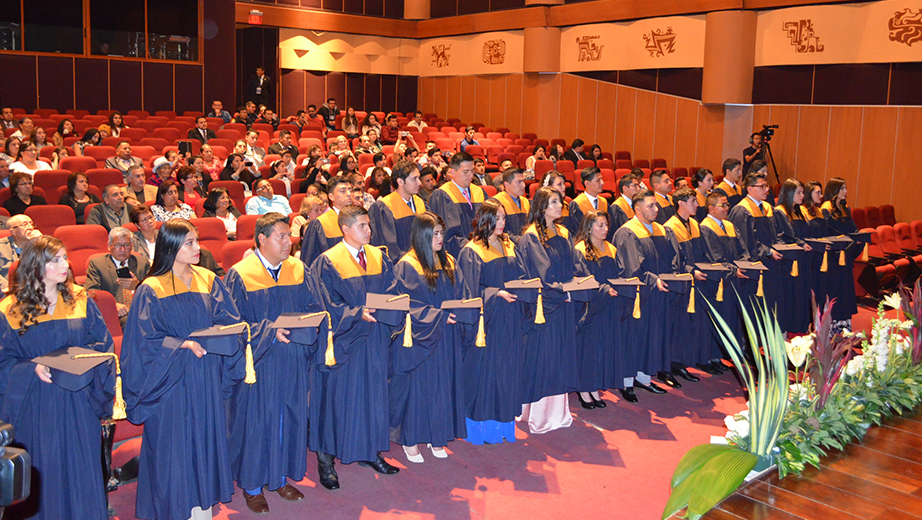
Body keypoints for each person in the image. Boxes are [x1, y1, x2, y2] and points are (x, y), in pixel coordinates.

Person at [122, 219, 244, 520]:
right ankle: (173, 509)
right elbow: (142, 342)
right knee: (174, 446)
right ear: (171, 246)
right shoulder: (150, 288)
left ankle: (201, 507)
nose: (197, 247)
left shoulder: (208, 279)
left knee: (204, 438)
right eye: (189, 242)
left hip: (205, 376)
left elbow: (229, 319)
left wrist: (221, 333)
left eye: (197, 240)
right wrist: (181, 345)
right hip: (169, 381)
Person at [0, 235, 116, 520]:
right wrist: (32, 368)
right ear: (36, 266)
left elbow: (102, 345)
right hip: (36, 404)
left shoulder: (81, 299)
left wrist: (80, 360)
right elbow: (4, 359)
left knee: (81, 466)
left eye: (65, 257)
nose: (65, 265)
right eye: (56, 260)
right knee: (45, 469)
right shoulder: (10, 309)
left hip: (78, 399)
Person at [224, 212, 323, 512]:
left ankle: (279, 478)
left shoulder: (298, 269)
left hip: (292, 358)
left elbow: (314, 308)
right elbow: (232, 324)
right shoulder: (241, 274)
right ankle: (252, 485)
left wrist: (308, 326)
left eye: (288, 236)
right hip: (260, 362)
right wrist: (269, 330)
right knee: (257, 422)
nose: (288, 241)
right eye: (281, 236)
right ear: (262, 240)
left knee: (288, 417)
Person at [309, 205, 402, 489]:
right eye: (362, 226)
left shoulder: (379, 257)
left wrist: (391, 308)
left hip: (374, 339)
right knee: (335, 400)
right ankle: (327, 462)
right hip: (344, 342)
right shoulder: (327, 261)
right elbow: (325, 305)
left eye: (369, 225)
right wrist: (354, 313)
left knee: (373, 396)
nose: (369, 230)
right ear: (345, 229)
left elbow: (392, 292)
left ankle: (369, 451)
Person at [390, 212, 467, 463]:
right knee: (419, 389)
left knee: (443, 387)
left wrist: (462, 309)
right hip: (421, 339)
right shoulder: (407, 265)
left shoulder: (448, 260)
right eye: (434, 233)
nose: (440, 238)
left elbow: (461, 292)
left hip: (447, 335)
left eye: (442, 233)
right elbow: (407, 304)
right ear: (421, 235)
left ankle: (438, 436)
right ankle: (410, 440)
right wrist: (439, 316)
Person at [456, 199, 525, 444]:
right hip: (487, 323)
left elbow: (520, 276)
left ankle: (504, 426)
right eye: (497, 218)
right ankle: (479, 428)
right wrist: (495, 294)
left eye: (504, 218)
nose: (502, 223)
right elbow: (469, 292)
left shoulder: (509, 244)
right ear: (485, 220)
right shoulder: (471, 251)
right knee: (485, 374)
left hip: (510, 319)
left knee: (506, 372)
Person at [516, 187, 583, 433]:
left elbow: (575, 265)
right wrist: (561, 292)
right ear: (542, 206)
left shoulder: (563, 231)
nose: (559, 205)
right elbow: (540, 274)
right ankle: (540, 415)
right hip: (546, 305)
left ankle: (558, 412)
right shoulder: (532, 236)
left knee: (561, 357)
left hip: (564, 302)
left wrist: (580, 284)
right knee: (543, 358)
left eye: (560, 201)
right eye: (554, 201)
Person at [612, 189, 678, 399]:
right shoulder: (627, 231)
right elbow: (631, 268)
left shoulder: (660, 229)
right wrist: (652, 279)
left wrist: (673, 276)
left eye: (656, 205)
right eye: (650, 206)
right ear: (637, 209)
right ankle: (626, 382)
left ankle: (644, 377)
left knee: (652, 336)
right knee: (635, 337)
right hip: (638, 295)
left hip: (659, 294)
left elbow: (673, 257)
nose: (656, 209)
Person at [663, 188, 719, 381]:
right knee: (680, 324)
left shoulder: (694, 224)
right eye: (693, 201)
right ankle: (676, 363)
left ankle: (697, 358)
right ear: (681, 203)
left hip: (699, 281)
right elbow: (672, 259)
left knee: (698, 323)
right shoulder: (670, 227)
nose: (697, 204)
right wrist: (690, 270)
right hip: (684, 283)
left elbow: (703, 251)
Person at [573, 210, 623, 407]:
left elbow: (619, 273)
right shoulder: (581, 250)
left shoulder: (611, 248)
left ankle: (594, 386)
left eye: (606, 225)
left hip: (608, 307)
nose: (605, 229)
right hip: (591, 308)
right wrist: (604, 290)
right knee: (589, 350)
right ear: (589, 227)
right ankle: (584, 389)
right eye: (600, 225)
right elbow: (582, 279)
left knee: (601, 349)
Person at [698, 191, 749, 368]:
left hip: (734, 280)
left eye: (727, 205)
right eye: (723, 205)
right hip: (719, 282)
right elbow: (715, 257)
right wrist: (734, 270)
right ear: (711, 208)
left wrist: (746, 265)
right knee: (720, 317)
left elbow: (743, 250)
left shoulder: (729, 225)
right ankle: (715, 356)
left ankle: (731, 353)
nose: (727, 208)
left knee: (733, 317)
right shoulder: (706, 227)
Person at [728, 172, 783, 319]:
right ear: (749, 189)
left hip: (771, 264)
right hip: (754, 266)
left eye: (767, 186)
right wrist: (767, 251)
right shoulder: (742, 210)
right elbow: (746, 242)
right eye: (762, 186)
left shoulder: (767, 207)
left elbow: (775, 234)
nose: (767, 190)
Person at [85, 226, 150, 327]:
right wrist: (113, 305)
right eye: (117, 245)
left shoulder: (142, 262)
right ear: (109, 246)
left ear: (132, 246)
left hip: (142, 310)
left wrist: (137, 286)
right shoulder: (97, 264)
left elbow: (154, 291)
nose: (122, 249)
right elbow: (92, 293)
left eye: (126, 245)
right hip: (115, 315)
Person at [772, 179, 814, 335]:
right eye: (799, 192)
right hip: (788, 264)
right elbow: (782, 237)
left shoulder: (799, 211)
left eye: (803, 192)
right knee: (789, 299)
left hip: (802, 262)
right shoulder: (780, 211)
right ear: (789, 193)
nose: (802, 195)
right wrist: (799, 245)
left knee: (802, 298)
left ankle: (800, 331)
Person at [820, 177, 860, 331]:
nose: (846, 192)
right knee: (835, 290)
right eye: (843, 188)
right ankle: (832, 327)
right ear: (834, 190)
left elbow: (852, 228)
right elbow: (828, 231)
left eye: (846, 188)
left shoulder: (844, 207)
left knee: (845, 291)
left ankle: (844, 326)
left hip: (845, 255)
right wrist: (846, 240)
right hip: (833, 258)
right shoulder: (826, 208)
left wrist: (857, 237)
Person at [427, 152, 485, 257]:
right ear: (453, 172)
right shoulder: (443, 194)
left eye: (472, 171)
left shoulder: (479, 192)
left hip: (481, 250)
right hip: (457, 254)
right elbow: (448, 234)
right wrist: (470, 249)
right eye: (466, 172)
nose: (471, 175)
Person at [369, 159, 426, 262]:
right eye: (414, 179)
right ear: (400, 181)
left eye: (419, 178)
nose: (419, 183)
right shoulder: (384, 207)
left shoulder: (421, 203)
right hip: (401, 268)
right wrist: (411, 262)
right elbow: (389, 248)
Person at [299, 176, 353, 267]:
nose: (348, 194)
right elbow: (311, 262)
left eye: (350, 190)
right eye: (343, 191)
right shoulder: (320, 224)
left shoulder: (360, 220)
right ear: (331, 196)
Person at [0, 215, 41, 292]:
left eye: (31, 224)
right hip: (8, 291)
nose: (30, 228)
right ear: (13, 231)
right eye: (24, 224)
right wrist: (6, 288)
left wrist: (42, 243)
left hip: (35, 290)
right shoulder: (1, 247)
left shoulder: (39, 244)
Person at [491, 168, 530, 243]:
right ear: (506, 184)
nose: (524, 185)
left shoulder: (525, 202)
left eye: (523, 181)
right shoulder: (496, 203)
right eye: (519, 182)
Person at [569, 166, 608, 238]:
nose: (602, 183)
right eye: (598, 180)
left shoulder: (604, 202)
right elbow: (577, 232)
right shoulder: (577, 204)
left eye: (601, 179)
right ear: (587, 183)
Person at [607, 173, 640, 239]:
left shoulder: (638, 204)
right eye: (635, 186)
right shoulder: (617, 207)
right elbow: (614, 233)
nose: (638, 189)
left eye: (638, 185)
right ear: (625, 188)